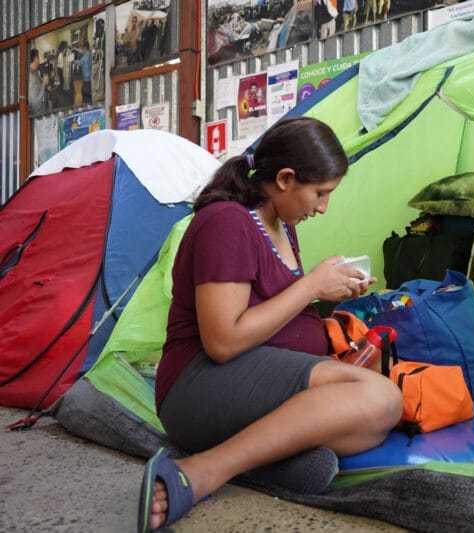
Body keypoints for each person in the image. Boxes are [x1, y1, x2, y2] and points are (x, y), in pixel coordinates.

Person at [139, 117, 403, 531]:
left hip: (253, 382)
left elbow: (278, 312)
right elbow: (223, 341)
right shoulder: (227, 222)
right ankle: (204, 469)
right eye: (320, 193)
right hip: (198, 385)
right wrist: (313, 285)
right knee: (381, 400)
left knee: (369, 427)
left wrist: (329, 295)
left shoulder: (280, 224)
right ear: (285, 179)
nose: (322, 207)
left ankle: (261, 462)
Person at [28, 49, 49, 115]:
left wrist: (45, 85)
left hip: (43, 109)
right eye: (38, 57)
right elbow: (35, 103)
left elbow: (38, 89)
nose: (39, 60)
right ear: (35, 59)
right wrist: (43, 83)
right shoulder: (31, 76)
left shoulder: (35, 72)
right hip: (39, 114)